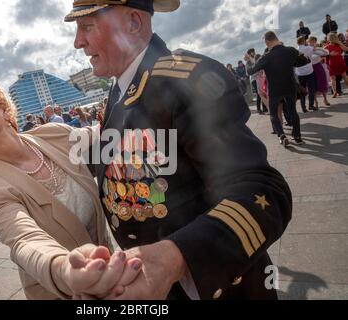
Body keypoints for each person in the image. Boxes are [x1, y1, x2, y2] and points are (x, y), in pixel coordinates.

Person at [65, 0, 292, 300]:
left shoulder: (186, 81)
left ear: (134, 23)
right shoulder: (119, 88)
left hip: (215, 282)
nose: (78, 41)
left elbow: (264, 191)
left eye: (87, 27)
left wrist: (175, 257)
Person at [0, 74, 142, 300]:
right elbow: (25, 241)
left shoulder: (54, 133)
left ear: (2, 107)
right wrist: (64, 269)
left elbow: (106, 133)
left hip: (113, 269)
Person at [247, 31, 310, 147]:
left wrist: (248, 60)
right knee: (293, 112)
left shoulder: (266, 56)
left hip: (275, 90)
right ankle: (297, 137)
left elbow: (251, 71)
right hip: (290, 86)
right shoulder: (291, 50)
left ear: (267, 42)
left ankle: (281, 135)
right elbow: (305, 61)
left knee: (273, 114)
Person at [296, 36, 317, 112]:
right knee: (311, 89)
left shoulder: (295, 50)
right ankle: (311, 105)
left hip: (300, 72)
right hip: (309, 71)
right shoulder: (308, 48)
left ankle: (303, 107)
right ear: (303, 41)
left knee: (302, 90)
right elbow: (315, 49)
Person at [324, 33, 348, 98]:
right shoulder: (327, 46)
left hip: (336, 62)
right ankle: (335, 92)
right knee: (343, 76)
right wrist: (329, 54)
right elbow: (323, 55)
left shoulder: (335, 45)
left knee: (335, 78)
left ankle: (335, 92)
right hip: (336, 62)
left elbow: (346, 49)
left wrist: (339, 43)